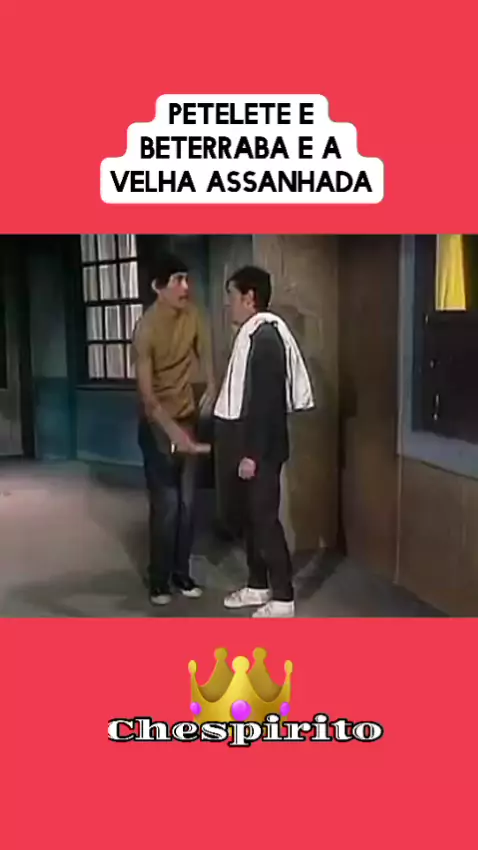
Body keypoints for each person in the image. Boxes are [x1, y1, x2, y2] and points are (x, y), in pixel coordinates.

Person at [214, 266, 314, 618]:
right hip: (248, 442)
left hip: (260, 449)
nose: (228, 304)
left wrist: (252, 455)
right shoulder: (253, 334)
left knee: (265, 519)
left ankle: (283, 596)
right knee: (252, 519)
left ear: (249, 297)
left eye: (232, 296)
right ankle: (258, 584)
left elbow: (266, 404)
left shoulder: (267, 338)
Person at [132, 254, 215, 606]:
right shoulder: (146, 329)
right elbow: (148, 399)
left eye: (187, 279)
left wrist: (212, 387)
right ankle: (159, 579)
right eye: (177, 280)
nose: (185, 287)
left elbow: (207, 357)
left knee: (188, 503)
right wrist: (174, 435)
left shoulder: (194, 315)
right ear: (158, 287)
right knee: (166, 505)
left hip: (187, 417)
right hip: (157, 425)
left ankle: (182, 573)